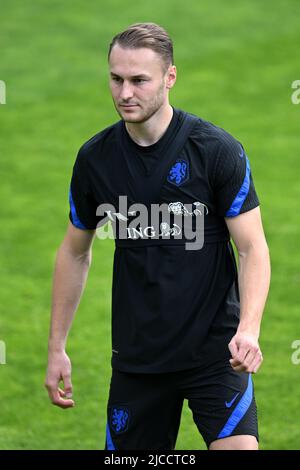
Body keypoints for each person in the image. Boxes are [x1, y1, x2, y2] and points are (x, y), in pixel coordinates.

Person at [45, 22, 271, 450]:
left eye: (138, 80)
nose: (125, 93)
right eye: (116, 79)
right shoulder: (96, 159)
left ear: (170, 78)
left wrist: (250, 328)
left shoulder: (216, 150)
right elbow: (75, 253)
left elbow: (252, 247)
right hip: (138, 360)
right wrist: (57, 347)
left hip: (216, 353)